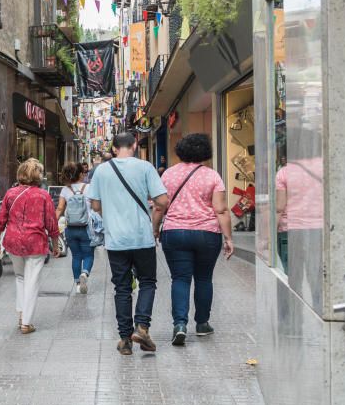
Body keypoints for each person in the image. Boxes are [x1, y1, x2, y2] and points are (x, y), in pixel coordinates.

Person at [86, 132, 168, 355]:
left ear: (113, 149)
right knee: (147, 282)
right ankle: (142, 327)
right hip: (142, 237)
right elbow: (163, 201)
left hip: (116, 240)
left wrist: (111, 214)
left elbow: (95, 205)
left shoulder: (101, 171)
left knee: (121, 287)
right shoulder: (145, 167)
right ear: (134, 145)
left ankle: (125, 340)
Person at [152, 134, 234, 347]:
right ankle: (202, 323)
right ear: (205, 152)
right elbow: (221, 209)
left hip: (175, 232)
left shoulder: (168, 175)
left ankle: (179, 325)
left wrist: (155, 228)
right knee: (204, 279)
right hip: (207, 233)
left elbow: (159, 206)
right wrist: (228, 238)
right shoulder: (212, 176)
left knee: (180, 278)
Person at [0, 158, 60, 335]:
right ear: (37, 175)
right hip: (35, 242)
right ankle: (27, 323)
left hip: (13, 241)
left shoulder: (10, 193)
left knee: (20, 277)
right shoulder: (43, 195)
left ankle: (22, 315)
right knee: (32, 281)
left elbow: (2, 217)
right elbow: (51, 222)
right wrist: (55, 244)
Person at [56, 162, 95, 294]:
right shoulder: (89, 187)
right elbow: (96, 207)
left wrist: (52, 225)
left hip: (71, 229)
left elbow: (60, 208)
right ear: (80, 174)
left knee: (76, 256)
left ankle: (78, 284)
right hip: (86, 228)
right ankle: (85, 273)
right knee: (88, 255)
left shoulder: (65, 190)